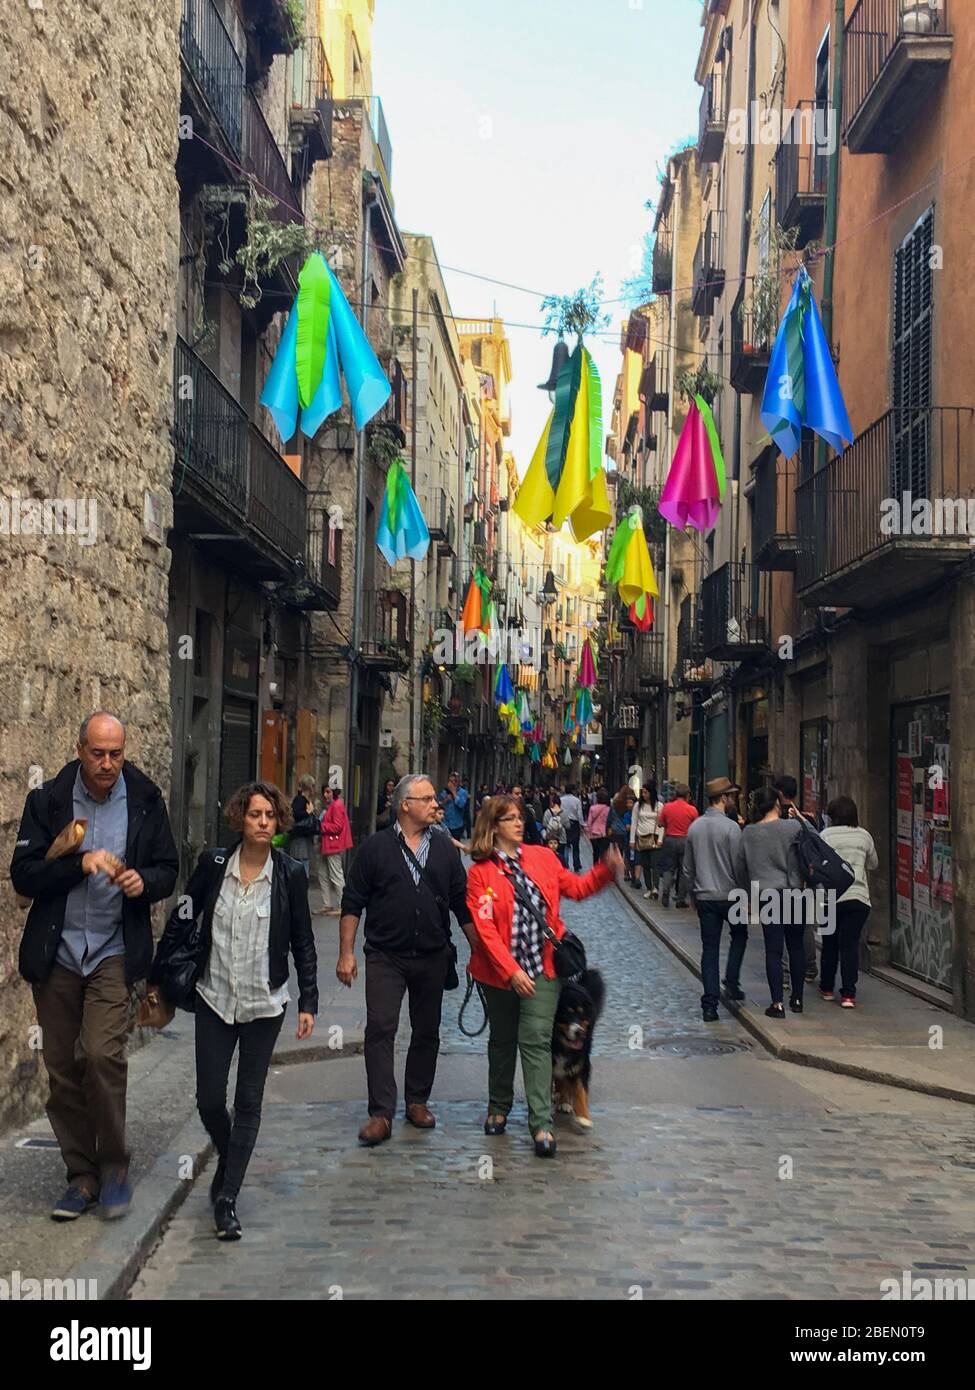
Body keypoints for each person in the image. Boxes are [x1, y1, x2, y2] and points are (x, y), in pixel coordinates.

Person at [11, 712, 178, 1223]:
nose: (107, 764)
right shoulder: (49, 801)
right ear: (80, 748)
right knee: (62, 1068)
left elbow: (168, 870)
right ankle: (79, 1177)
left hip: (111, 950)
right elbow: (23, 874)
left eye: (116, 754)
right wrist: (76, 864)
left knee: (103, 1055)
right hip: (58, 952)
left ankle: (114, 1168)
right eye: (98, 753)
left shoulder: (146, 801)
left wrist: (142, 883)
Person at [150, 781, 316, 1240]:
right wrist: (161, 973)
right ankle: (232, 1155)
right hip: (214, 997)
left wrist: (310, 1002)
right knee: (208, 1099)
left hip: (266, 1003)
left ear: (279, 821)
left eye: (269, 816)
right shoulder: (214, 865)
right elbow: (184, 913)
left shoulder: (290, 874)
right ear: (240, 818)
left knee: (248, 1101)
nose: (262, 823)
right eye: (254, 815)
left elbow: (302, 940)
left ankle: (227, 1199)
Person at [466, 796, 622, 1157]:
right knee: (503, 1040)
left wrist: (604, 871)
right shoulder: (481, 873)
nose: (518, 824)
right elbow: (485, 930)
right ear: (493, 827)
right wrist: (512, 971)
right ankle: (498, 1107)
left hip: (544, 968)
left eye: (520, 818)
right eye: (509, 819)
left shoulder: (544, 858)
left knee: (536, 1041)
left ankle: (541, 1124)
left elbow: (577, 889)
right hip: (498, 973)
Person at [337, 774, 477, 1145]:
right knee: (381, 1028)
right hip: (385, 954)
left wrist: (478, 950)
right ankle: (381, 1112)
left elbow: (462, 904)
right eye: (428, 799)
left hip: (432, 955)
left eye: (435, 798)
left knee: (426, 1030)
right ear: (405, 805)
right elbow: (352, 902)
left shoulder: (446, 849)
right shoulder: (375, 848)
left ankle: (417, 1100)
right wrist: (346, 953)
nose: (436, 804)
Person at [682, 778, 747, 1021]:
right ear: (722, 799)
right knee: (739, 935)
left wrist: (690, 894)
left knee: (710, 949)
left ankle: (710, 1005)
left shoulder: (695, 827)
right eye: (729, 796)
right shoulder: (731, 828)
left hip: (705, 896)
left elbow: (687, 868)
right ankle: (731, 981)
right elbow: (739, 866)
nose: (732, 799)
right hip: (731, 895)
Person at [740, 785, 806, 1019]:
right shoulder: (793, 827)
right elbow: (813, 841)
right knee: (796, 947)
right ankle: (797, 999)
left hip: (767, 894)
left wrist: (746, 895)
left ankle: (777, 1003)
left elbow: (742, 868)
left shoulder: (748, 832)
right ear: (777, 804)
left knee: (773, 950)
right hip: (794, 892)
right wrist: (799, 817)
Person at [819, 796, 878, 1008]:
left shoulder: (825, 835)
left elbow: (819, 864)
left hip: (831, 898)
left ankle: (826, 987)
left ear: (833, 816)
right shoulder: (864, 836)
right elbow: (873, 863)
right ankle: (848, 994)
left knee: (830, 943)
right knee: (850, 944)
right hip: (858, 898)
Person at [773, 775, 819, 983]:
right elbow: (815, 838)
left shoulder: (777, 820)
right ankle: (809, 966)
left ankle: (783, 974)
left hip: (781, 879)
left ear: (780, 794)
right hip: (802, 881)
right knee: (805, 926)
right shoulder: (802, 819)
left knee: (781, 928)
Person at [658, 784, 699, 908]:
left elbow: (660, 824)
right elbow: (696, 827)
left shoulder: (667, 807)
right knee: (683, 870)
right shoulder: (692, 809)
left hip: (670, 839)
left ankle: (665, 890)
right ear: (687, 795)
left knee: (668, 868)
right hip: (685, 840)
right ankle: (680, 898)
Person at [317, 785, 352, 917]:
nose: (325, 795)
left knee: (335, 875)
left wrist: (320, 825)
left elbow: (337, 827)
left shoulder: (336, 805)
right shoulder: (334, 805)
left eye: (328, 792)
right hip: (329, 844)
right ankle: (328, 904)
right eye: (324, 792)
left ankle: (343, 905)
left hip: (333, 844)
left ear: (334, 793)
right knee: (323, 874)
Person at [631, 782, 665, 899]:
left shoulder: (659, 806)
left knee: (655, 864)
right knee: (645, 864)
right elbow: (634, 822)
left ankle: (655, 887)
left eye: (646, 792)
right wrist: (632, 840)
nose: (643, 794)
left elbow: (662, 824)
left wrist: (660, 838)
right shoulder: (637, 805)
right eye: (643, 792)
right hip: (642, 837)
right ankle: (649, 888)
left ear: (651, 793)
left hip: (654, 837)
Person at [288, 776, 318, 878]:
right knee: (302, 870)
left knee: (303, 867)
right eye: (313, 786)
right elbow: (296, 814)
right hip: (299, 841)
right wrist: (308, 812)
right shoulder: (300, 799)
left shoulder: (303, 799)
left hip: (302, 840)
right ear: (309, 787)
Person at [608, 787, 635, 883]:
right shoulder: (631, 805)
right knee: (627, 854)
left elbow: (610, 818)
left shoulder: (615, 804)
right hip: (627, 832)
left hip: (616, 831)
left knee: (617, 853)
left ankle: (614, 873)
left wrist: (608, 828)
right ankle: (627, 872)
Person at [560, 783, 584, 872]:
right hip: (574, 824)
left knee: (565, 844)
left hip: (563, 822)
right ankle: (576, 864)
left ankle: (565, 864)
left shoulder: (561, 800)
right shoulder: (577, 800)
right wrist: (582, 825)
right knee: (575, 846)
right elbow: (579, 814)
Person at [585, 786, 611, 865]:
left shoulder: (593, 808)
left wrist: (588, 834)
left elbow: (589, 822)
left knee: (595, 853)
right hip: (604, 834)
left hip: (594, 834)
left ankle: (595, 868)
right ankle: (603, 869)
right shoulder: (608, 809)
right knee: (604, 853)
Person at [439, 772, 469, 840]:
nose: (452, 784)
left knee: (455, 846)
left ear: (458, 782)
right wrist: (446, 800)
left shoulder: (463, 792)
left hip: (456, 824)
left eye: (454, 781)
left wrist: (454, 793)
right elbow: (440, 805)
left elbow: (461, 804)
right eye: (450, 781)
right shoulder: (445, 792)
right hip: (445, 823)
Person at [542, 796, 568, 866]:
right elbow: (568, 825)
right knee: (561, 856)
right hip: (561, 838)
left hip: (550, 838)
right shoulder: (563, 812)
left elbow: (544, 824)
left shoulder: (547, 812)